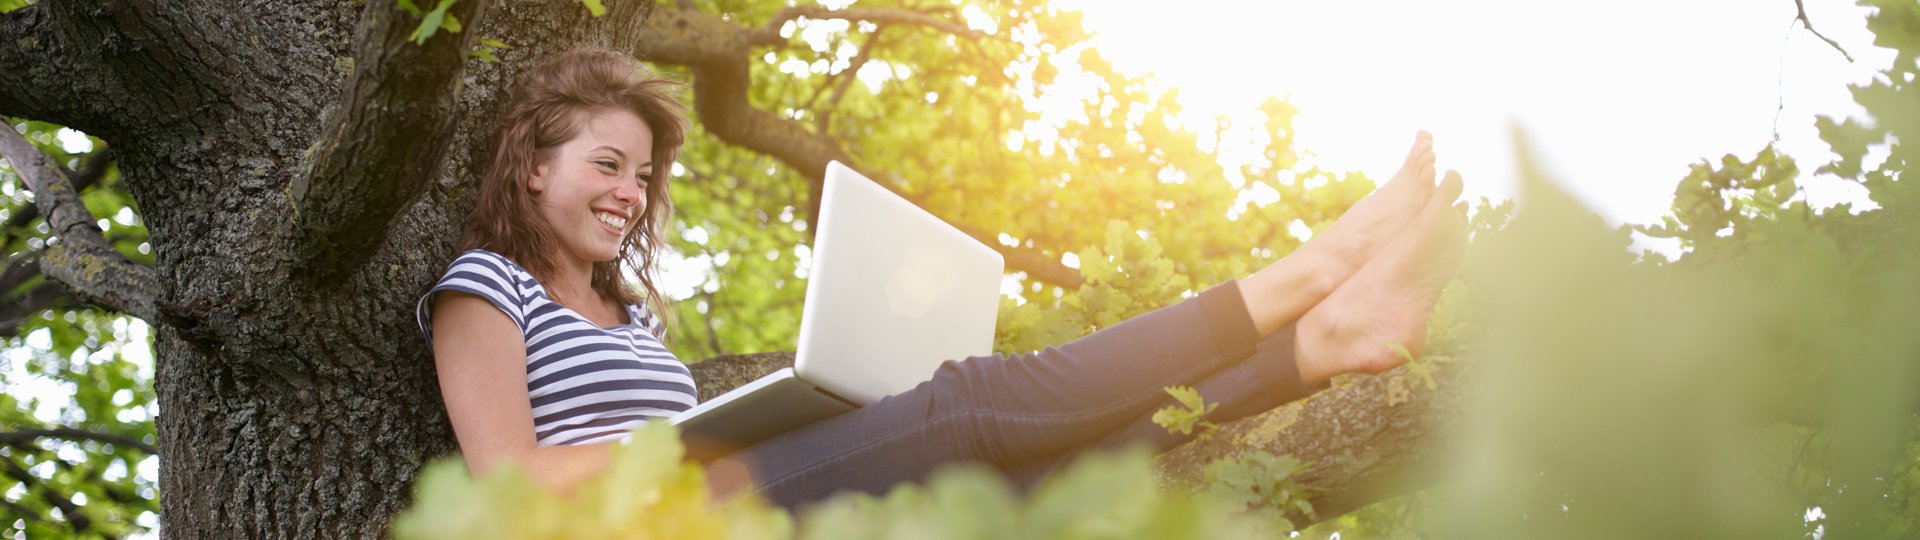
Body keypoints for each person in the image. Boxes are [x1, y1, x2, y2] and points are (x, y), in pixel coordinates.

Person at [417, 48, 1467, 509]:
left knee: (1026, 479)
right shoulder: (484, 286)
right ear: (530, 165)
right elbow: (510, 485)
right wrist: (685, 444)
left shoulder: (630, 317)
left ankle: (1314, 349)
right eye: (607, 166)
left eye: (642, 176)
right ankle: (1312, 271)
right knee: (970, 401)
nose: (630, 194)